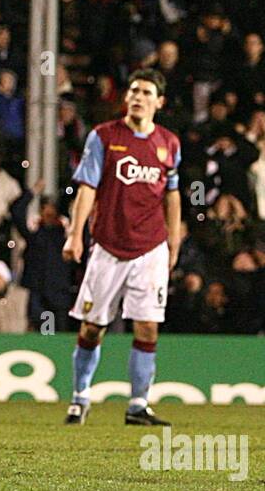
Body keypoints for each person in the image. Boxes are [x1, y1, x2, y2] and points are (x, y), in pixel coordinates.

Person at [62, 69, 181, 427]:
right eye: (133, 90)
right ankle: (80, 396)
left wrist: (173, 243)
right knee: (92, 327)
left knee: (147, 327)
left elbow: (172, 197)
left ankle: (138, 405)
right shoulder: (104, 136)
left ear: (159, 102)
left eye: (146, 92)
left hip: (151, 249)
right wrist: (75, 234)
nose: (137, 97)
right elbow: (87, 188)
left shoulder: (169, 143)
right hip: (109, 246)